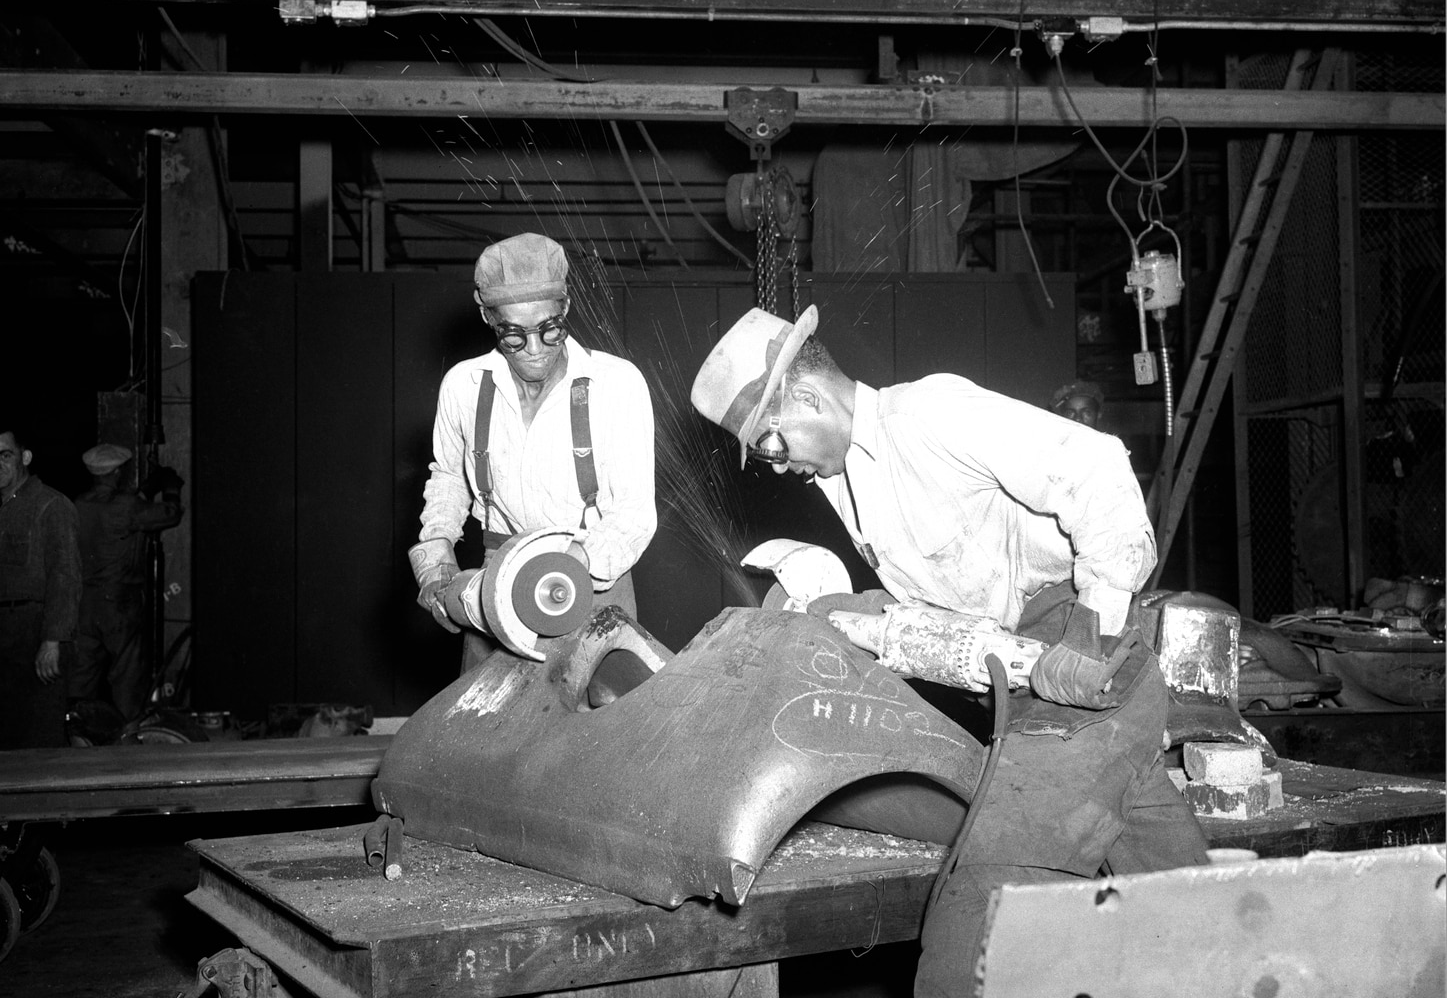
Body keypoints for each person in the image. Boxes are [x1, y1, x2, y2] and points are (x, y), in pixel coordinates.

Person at [690, 307, 1210, 997]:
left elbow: (1095, 465)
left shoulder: (929, 415)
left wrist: (1096, 629)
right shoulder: (843, 483)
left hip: (1081, 659)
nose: (778, 467)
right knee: (1183, 905)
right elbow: (962, 605)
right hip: (1021, 684)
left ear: (808, 398)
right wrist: (872, 620)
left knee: (977, 925)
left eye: (771, 445)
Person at [410, 232, 657, 671]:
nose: (535, 350)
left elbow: (635, 513)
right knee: (487, 733)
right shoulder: (465, 387)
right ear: (487, 315)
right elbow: (448, 477)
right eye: (513, 335)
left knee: (599, 730)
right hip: (495, 585)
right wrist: (437, 551)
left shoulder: (617, 385)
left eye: (549, 330)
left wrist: (572, 568)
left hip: (594, 583)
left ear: (564, 307)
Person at [72, 443, 184, 721]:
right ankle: (127, 741)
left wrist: (146, 488)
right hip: (118, 606)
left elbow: (121, 509)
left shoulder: (78, 505)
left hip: (84, 605)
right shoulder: (126, 506)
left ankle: (76, 737)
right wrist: (171, 487)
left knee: (81, 679)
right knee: (127, 679)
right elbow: (170, 514)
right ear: (118, 472)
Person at [0, 425, 81, 749]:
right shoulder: (4, 508)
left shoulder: (51, 506)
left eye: (5, 455)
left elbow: (66, 576)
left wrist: (52, 641)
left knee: (39, 737)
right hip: (6, 634)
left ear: (25, 457)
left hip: (33, 633)